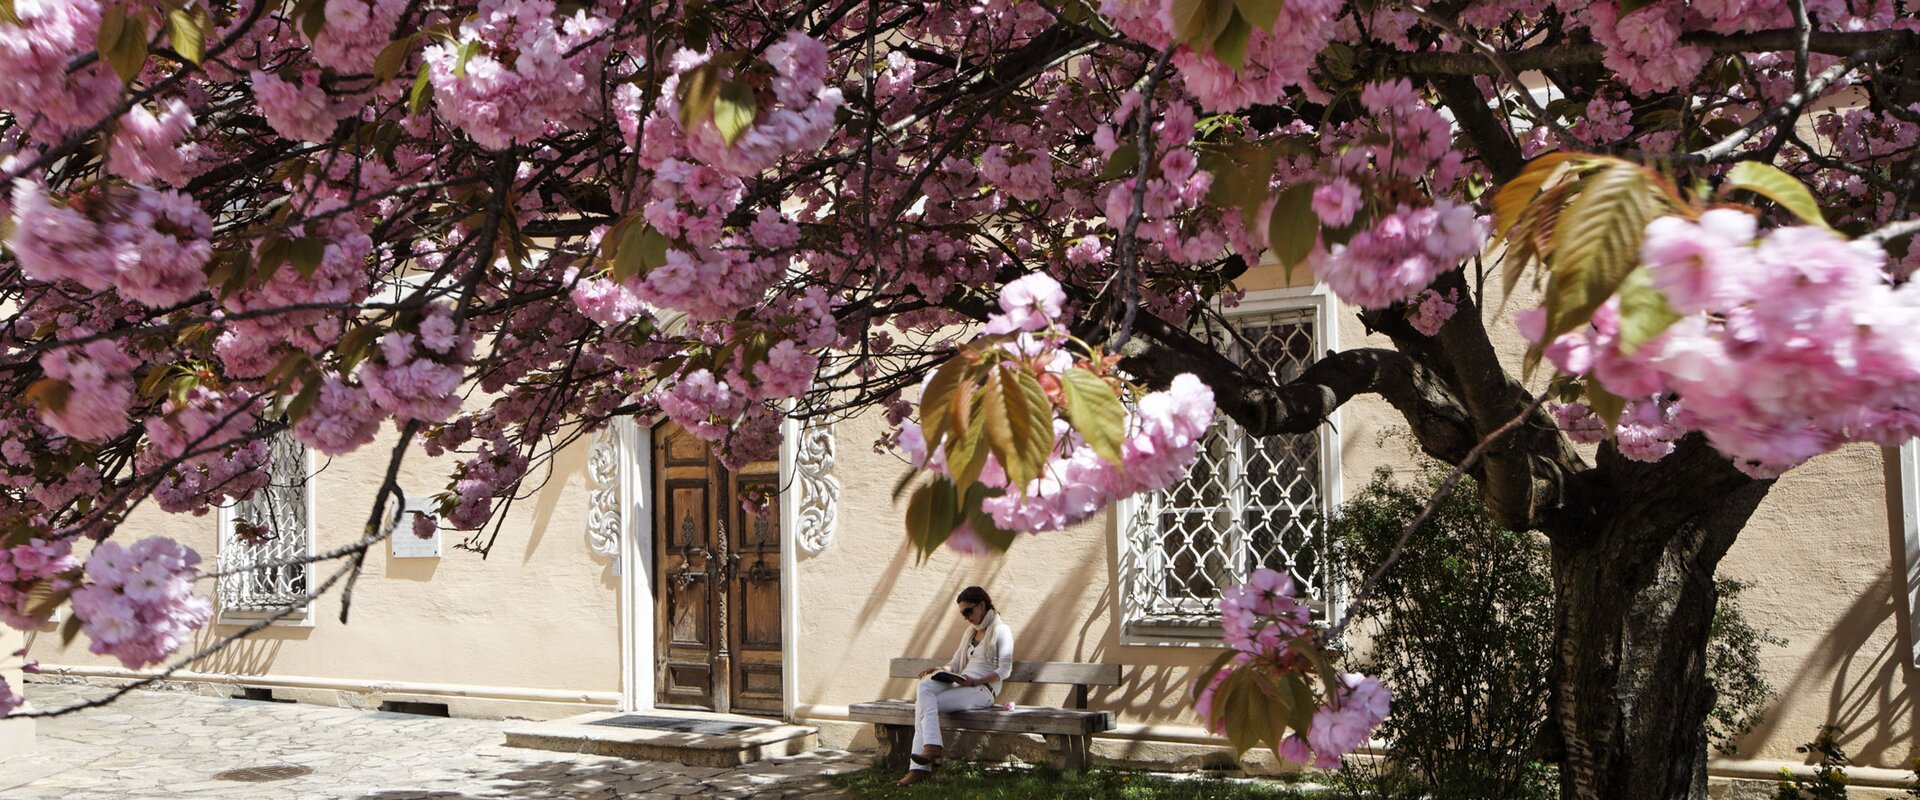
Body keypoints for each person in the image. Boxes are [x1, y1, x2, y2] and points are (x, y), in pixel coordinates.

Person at [895, 585, 1013, 786]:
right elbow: (956, 663)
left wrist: (976, 681)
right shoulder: (970, 632)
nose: (966, 617)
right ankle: (932, 748)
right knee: (925, 687)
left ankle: (919, 768)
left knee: (922, 706)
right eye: (963, 614)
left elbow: (1005, 670)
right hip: (963, 682)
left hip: (983, 690)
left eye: (969, 611)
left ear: (982, 605)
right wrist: (938, 669)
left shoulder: (1001, 630)